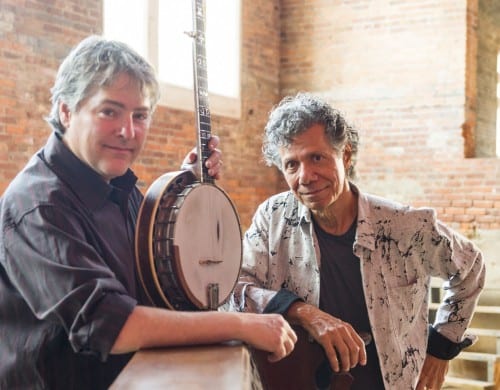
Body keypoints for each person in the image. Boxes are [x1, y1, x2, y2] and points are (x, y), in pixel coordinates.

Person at [0, 35, 297, 390]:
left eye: (139, 115)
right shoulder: (38, 207)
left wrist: (183, 191)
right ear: (66, 111)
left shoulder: (121, 188)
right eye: (109, 111)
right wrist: (242, 323)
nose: (128, 131)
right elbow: (110, 325)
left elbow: (154, 281)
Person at [234, 92, 485, 389]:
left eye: (317, 157)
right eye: (292, 164)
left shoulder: (404, 226)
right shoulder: (272, 217)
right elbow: (236, 290)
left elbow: (471, 268)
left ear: (346, 155)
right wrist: (303, 312)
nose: (306, 176)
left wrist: (441, 348)